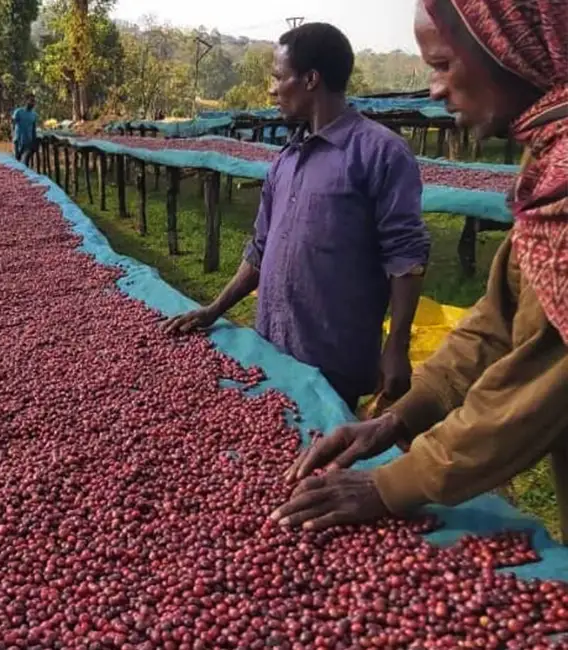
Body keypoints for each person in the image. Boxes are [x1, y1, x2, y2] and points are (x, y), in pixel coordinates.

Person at [272, 0, 568, 541]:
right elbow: (502, 321)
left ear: (512, 48)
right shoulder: (549, 167)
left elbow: (539, 382)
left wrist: (392, 485)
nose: (433, 89)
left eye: (442, 65)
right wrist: (401, 417)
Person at [163, 23, 430, 411]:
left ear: (310, 80)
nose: (271, 89)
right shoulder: (285, 160)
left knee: (325, 449)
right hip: (272, 343)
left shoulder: (380, 153)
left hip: (334, 355)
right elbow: (260, 249)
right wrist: (214, 309)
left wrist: (396, 346)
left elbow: (406, 257)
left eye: (277, 77)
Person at [11, 94, 38, 166]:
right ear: (26, 101)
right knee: (17, 160)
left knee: (25, 162)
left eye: (34, 101)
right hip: (18, 140)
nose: (33, 103)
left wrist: (34, 142)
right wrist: (13, 137)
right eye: (31, 101)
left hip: (28, 142)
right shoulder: (18, 112)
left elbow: (33, 129)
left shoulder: (34, 115)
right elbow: (12, 125)